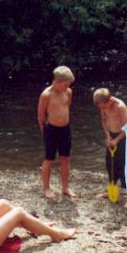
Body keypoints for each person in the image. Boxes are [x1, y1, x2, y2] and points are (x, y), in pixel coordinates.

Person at [93, 88, 127, 209]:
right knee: (110, 163)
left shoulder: (120, 107)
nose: (102, 109)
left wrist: (116, 140)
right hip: (112, 136)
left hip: (123, 138)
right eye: (100, 107)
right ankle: (111, 188)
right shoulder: (103, 106)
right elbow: (104, 121)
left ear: (109, 100)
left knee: (123, 165)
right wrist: (108, 137)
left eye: (103, 106)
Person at [37, 66, 75, 200]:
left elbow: (66, 107)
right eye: (65, 84)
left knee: (65, 158)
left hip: (65, 128)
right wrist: (44, 133)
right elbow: (41, 116)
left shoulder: (68, 92)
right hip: (51, 129)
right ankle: (46, 188)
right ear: (57, 81)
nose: (67, 87)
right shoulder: (46, 94)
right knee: (49, 159)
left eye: (69, 84)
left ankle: (65, 187)